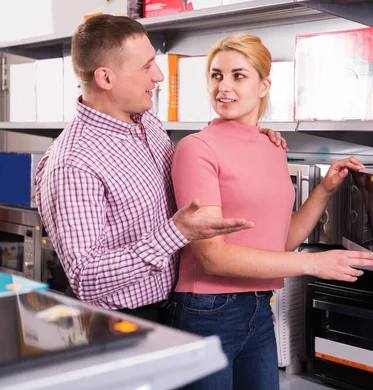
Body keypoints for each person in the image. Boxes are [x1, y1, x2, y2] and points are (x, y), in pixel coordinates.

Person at [34, 15, 288, 323]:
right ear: (105, 78)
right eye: (146, 66)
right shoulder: (74, 163)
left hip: (179, 307)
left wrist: (250, 136)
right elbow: (87, 278)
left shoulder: (147, 123)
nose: (158, 76)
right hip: (120, 324)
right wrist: (175, 232)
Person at [168, 33, 373, 390]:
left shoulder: (273, 147)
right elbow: (213, 258)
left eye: (238, 75)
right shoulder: (195, 149)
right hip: (206, 311)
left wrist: (325, 190)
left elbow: (280, 242)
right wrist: (314, 264)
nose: (223, 86)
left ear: (264, 85)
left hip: (259, 309)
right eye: (216, 75)